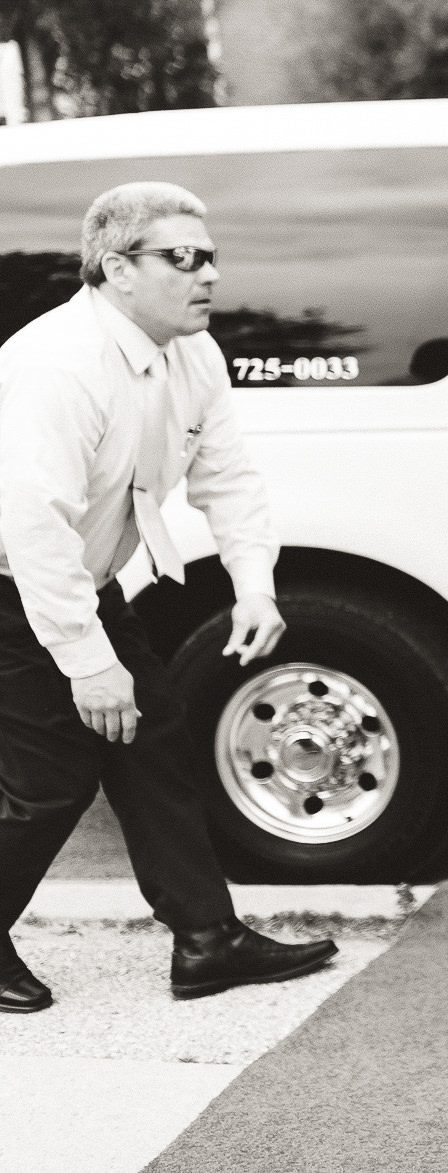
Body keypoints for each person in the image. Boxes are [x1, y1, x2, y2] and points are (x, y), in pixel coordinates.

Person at [0, 182, 337, 1013]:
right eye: (182, 258)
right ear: (115, 268)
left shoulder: (195, 353)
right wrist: (86, 663)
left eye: (210, 256)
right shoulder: (56, 364)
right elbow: (32, 526)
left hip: (82, 580)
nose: (208, 274)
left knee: (152, 739)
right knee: (52, 778)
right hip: (16, 584)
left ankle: (208, 941)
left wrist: (253, 582)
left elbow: (228, 476)